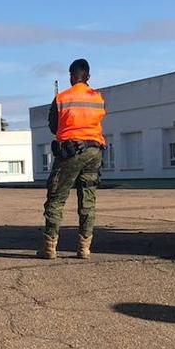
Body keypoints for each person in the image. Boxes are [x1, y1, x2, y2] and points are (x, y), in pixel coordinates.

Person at [39, 58, 106, 259]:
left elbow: (53, 127)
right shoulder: (98, 98)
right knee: (87, 200)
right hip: (94, 151)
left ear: (71, 76)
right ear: (88, 76)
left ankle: (50, 248)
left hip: (70, 152)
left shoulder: (62, 98)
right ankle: (84, 248)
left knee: (56, 198)